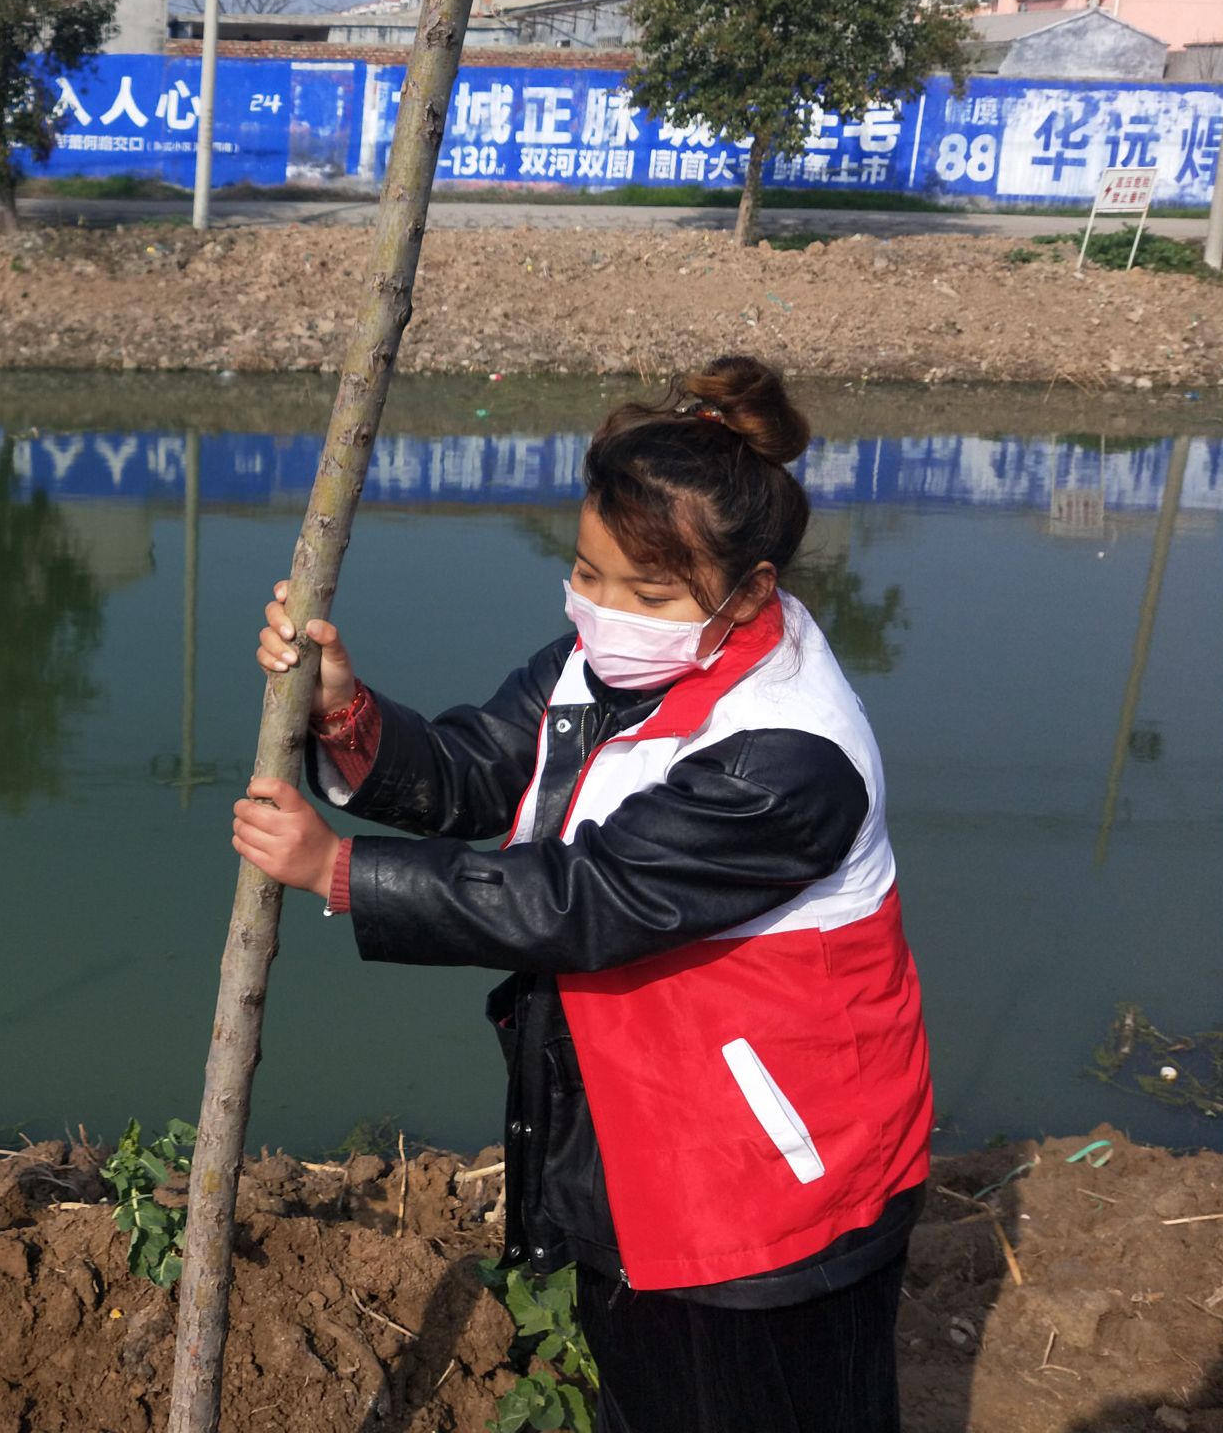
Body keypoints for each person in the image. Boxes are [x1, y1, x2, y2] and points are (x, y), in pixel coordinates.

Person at [234, 355, 931, 1433]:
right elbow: (477, 769)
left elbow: (585, 900)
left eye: (648, 594)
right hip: (637, 1142)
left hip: (773, 1180)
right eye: (587, 572)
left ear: (752, 591)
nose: (603, 612)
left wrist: (344, 872)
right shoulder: (606, 666)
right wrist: (343, 712)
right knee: (645, 1405)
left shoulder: (789, 755)